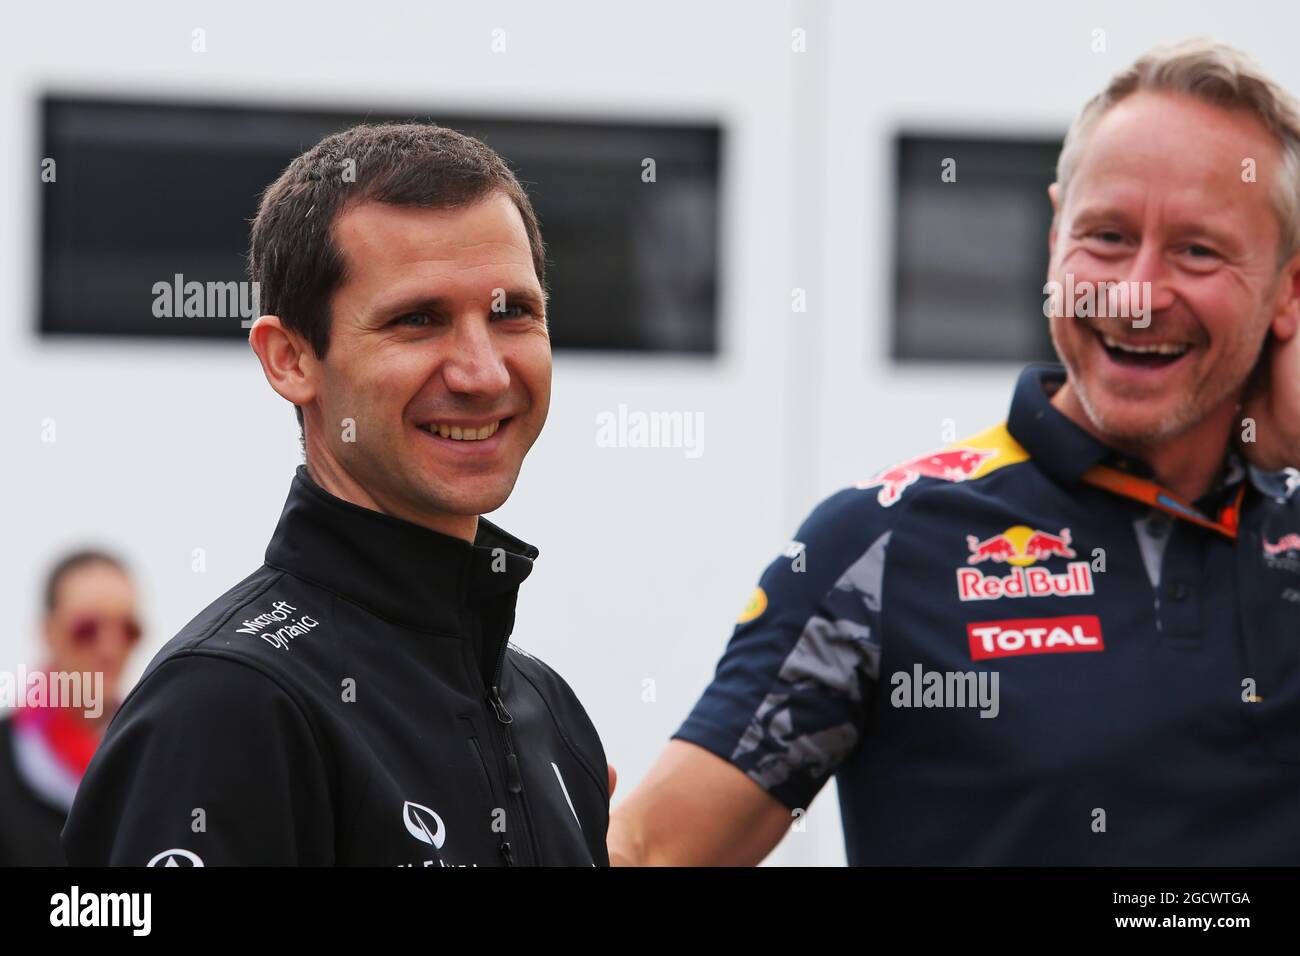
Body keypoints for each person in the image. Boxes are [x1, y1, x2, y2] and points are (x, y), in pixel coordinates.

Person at [609, 38, 1300, 865]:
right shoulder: (886, 542)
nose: (1136, 294)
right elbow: (652, 853)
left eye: (1197, 250)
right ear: (1055, 240)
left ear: (1288, 287)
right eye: (1107, 236)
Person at [64, 123, 610, 866]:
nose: (483, 373)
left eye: (511, 312)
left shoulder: (549, 712)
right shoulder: (229, 707)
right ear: (290, 359)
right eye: (418, 320)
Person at [0, 551, 139, 865]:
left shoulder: (152, 757)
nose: (109, 648)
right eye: (87, 630)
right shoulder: (9, 757)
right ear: (48, 632)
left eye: (128, 630)